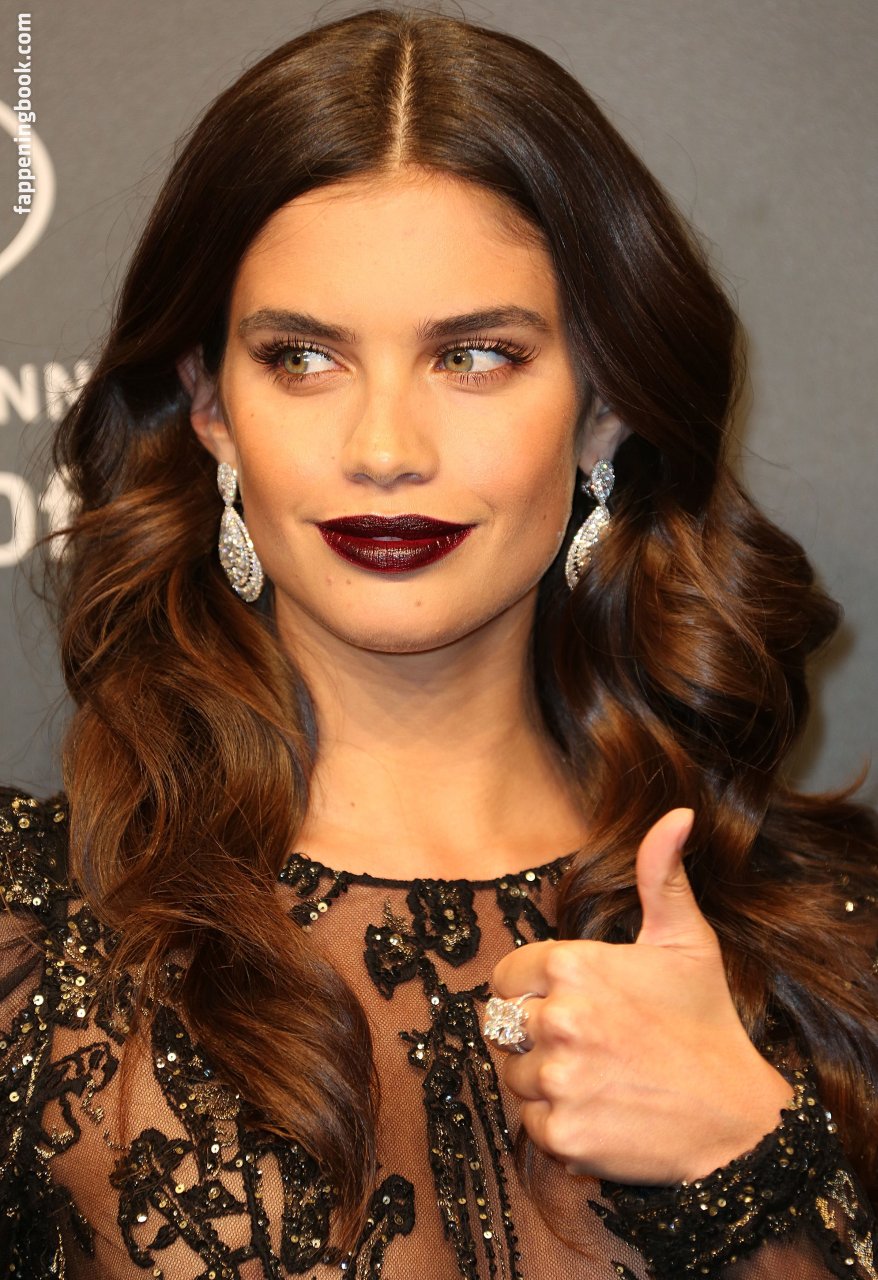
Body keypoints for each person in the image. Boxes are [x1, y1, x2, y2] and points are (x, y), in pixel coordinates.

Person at [0, 7, 875, 1278]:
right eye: (302, 357)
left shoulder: (830, 931)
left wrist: (743, 1155)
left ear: (602, 407)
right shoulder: (36, 932)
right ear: (209, 406)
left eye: (473, 355)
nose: (384, 448)